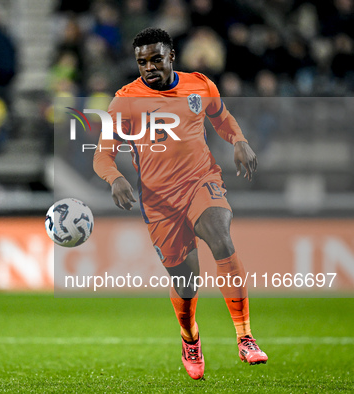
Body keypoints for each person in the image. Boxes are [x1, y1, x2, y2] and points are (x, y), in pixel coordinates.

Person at [93, 27, 267, 380]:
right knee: (187, 283)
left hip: (201, 181)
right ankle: (190, 339)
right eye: (142, 62)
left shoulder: (200, 85)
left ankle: (245, 337)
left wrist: (239, 140)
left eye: (156, 59)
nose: (149, 67)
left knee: (222, 239)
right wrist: (116, 178)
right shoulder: (124, 101)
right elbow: (102, 156)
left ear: (172, 56)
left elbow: (221, 117)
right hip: (159, 202)